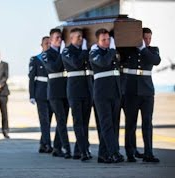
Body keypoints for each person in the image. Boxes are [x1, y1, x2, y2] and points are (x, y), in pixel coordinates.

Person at [122, 27, 161, 163]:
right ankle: (130, 153)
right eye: (145, 38)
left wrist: (143, 48)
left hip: (147, 92)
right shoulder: (129, 50)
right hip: (131, 92)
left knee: (147, 123)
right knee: (130, 124)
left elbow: (156, 61)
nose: (148, 41)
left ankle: (148, 153)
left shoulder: (152, 50)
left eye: (150, 38)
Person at [89, 28, 124, 163]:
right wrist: (112, 50)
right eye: (103, 40)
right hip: (101, 93)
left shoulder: (112, 51)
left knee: (114, 124)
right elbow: (103, 62)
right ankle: (114, 152)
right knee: (106, 124)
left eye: (108, 39)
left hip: (115, 92)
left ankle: (103, 155)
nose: (107, 42)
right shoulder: (94, 52)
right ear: (97, 41)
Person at [61, 28, 93, 161]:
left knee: (85, 122)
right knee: (78, 121)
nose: (81, 39)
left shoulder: (85, 51)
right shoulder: (66, 51)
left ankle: (79, 150)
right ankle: (84, 150)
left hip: (87, 89)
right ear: (71, 38)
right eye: (78, 37)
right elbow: (76, 63)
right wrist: (85, 50)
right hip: (74, 91)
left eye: (82, 37)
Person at [42, 28, 71, 159]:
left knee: (63, 121)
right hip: (54, 93)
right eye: (57, 38)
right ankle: (66, 148)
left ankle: (57, 147)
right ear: (51, 40)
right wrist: (63, 53)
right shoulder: (46, 54)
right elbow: (54, 67)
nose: (59, 40)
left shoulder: (65, 52)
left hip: (66, 91)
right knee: (61, 120)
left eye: (60, 37)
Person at [28, 36, 54, 153]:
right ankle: (48, 144)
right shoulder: (36, 59)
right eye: (46, 43)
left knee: (49, 120)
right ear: (41, 45)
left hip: (53, 92)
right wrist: (32, 95)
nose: (48, 45)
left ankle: (43, 144)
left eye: (49, 43)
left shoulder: (55, 58)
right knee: (44, 120)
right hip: (41, 93)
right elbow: (31, 78)